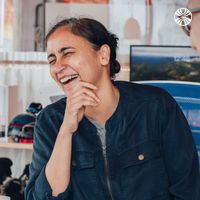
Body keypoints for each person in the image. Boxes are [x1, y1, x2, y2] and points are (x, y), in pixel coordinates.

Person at [25, 17, 200, 200]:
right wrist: (66, 131)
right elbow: (41, 197)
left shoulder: (156, 105)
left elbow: (187, 189)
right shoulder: (50, 120)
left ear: (103, 55)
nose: (58, 67)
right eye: (52, 60)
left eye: (67, 53)